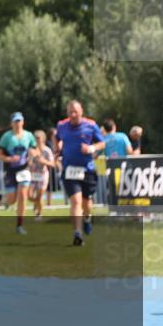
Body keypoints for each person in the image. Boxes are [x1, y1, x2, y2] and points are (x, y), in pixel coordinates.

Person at [56, 100, 106, 246]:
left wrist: (91, 149)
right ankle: (77, 233)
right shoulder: (61, 125)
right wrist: (57, 146)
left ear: (81, 111)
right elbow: (57, 137)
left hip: (87, 170)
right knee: (76, 201)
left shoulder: (91, 125)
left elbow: (102, 143)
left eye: (75, 111)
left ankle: (87, 218)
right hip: (69, 170)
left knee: (87, 204)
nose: (72, 114)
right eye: (69, 111)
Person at [0, 112, 37, 235]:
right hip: (10, 170)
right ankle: (3, 200)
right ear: (11, 123)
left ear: (23, 122)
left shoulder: (28, 135)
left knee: (23, 195)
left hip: (24, 169)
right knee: (12, 200)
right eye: (15, 121)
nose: (18, 124)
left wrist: (32, 154)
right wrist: (9, 159)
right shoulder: (7, 137)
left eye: (19, 121)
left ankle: (20, 225)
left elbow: (35, 150)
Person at [30, 129, 56, 220]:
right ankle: (36, 203)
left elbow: (53, 164)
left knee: (40, 195)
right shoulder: (31, 150)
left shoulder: (47, 150)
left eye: (38, 138)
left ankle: (39, 214)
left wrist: (44, 161)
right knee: (29, 195)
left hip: (43, 175)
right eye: (35, 138)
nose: (37, 140)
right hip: (33, 175)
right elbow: (28, 161)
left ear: (43, 139)